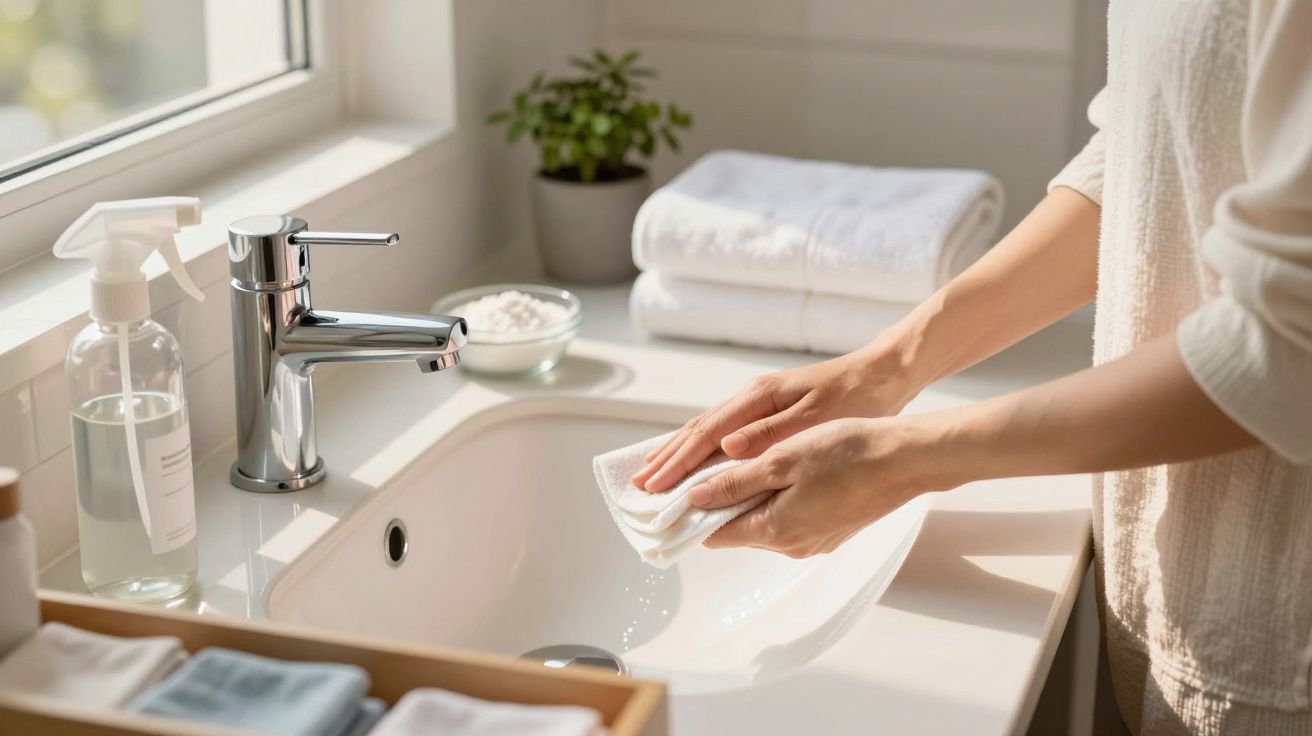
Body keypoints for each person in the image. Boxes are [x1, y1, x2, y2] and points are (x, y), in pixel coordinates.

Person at [631, 1, 1312, 733]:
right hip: (1177, 591)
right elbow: (1147, 148)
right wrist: (883, 369)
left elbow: (1286, 344)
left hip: (1280, 630)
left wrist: (902, 458)